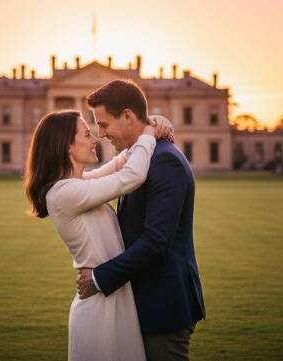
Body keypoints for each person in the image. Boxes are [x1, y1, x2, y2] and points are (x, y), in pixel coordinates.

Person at [24, 109, 174, 361]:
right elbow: (131, 176)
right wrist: (148, 134)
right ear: (66, 146)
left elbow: (118, 165)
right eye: (86, 134)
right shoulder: (64, 192)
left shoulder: (77, 185)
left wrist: (150, 123)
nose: (95, 139)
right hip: (99, 307)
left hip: (113, 295)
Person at [77, 79, 205, 361]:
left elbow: (156, 241)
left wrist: (99, 278)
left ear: (127, 116)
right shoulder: (140, 157)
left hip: (163, 304)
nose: (100, 134)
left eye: (104, 124)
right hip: (145, 302)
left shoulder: (164, 161)